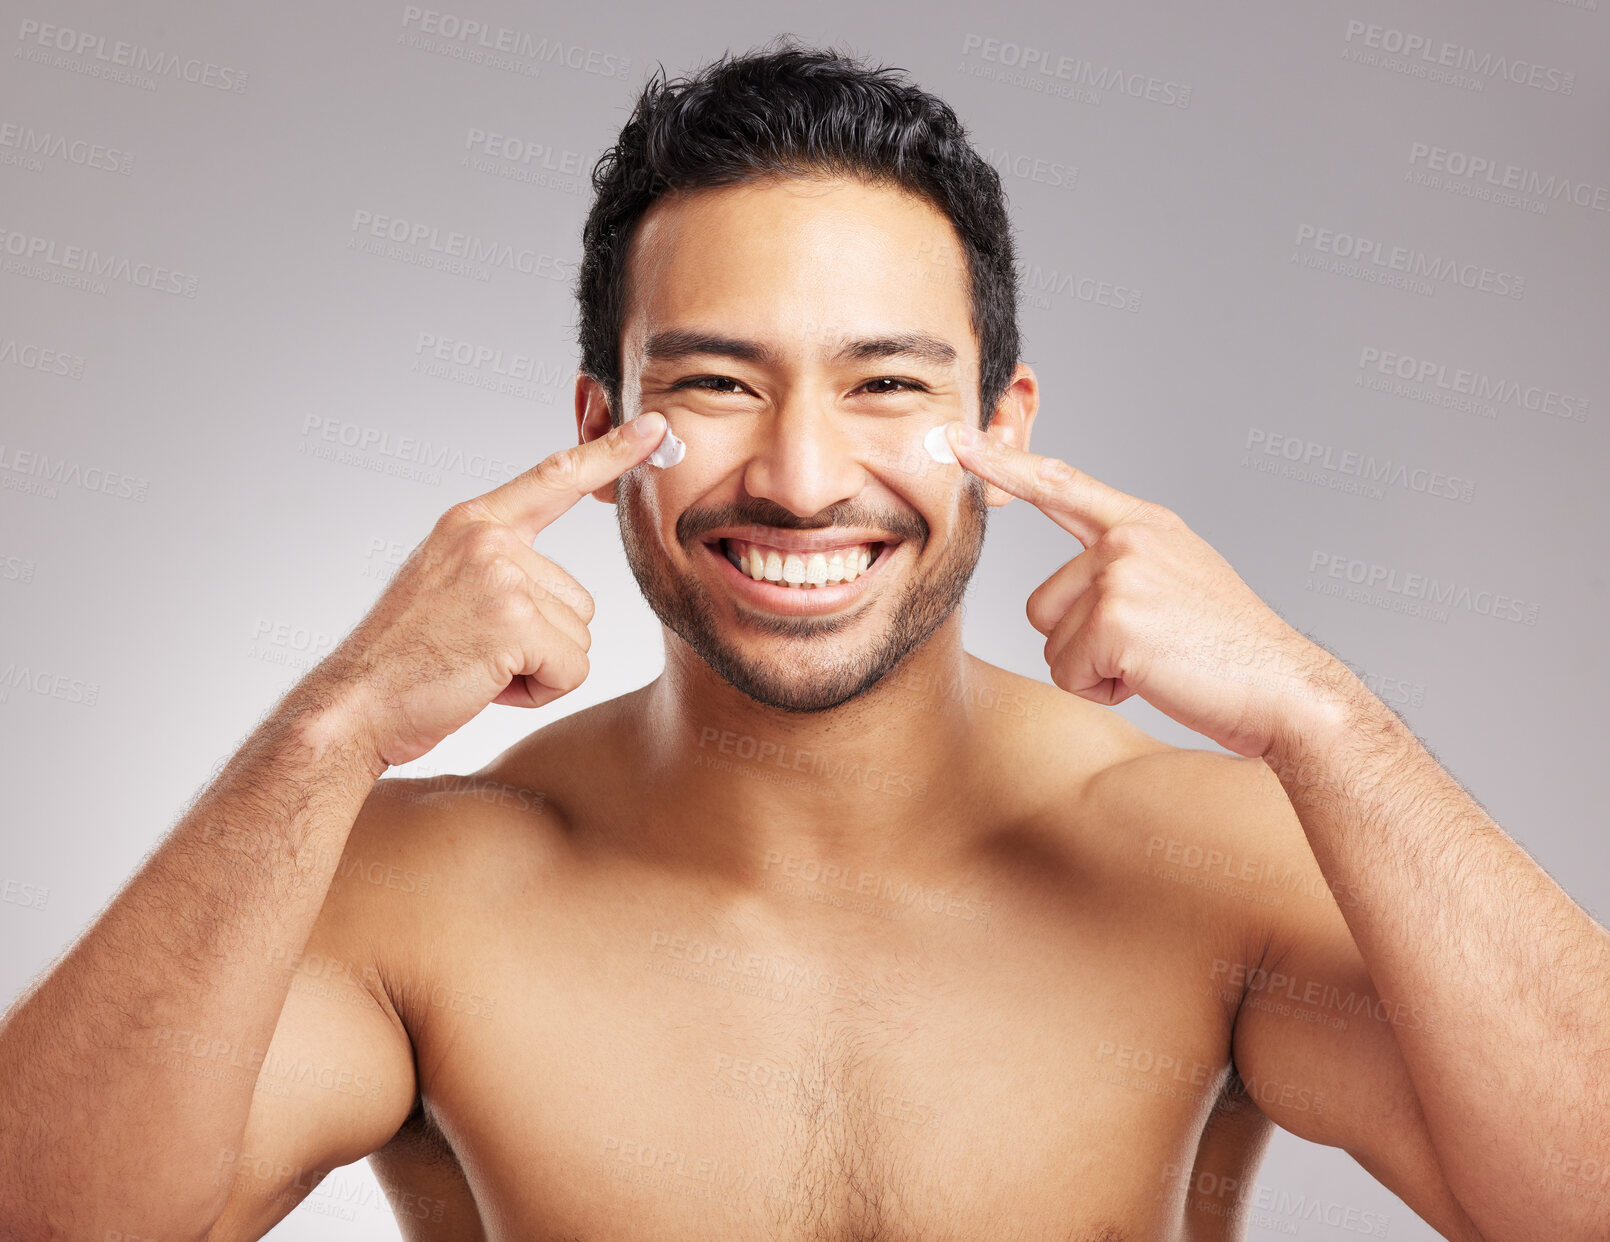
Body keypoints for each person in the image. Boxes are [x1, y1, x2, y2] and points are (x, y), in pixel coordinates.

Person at [2, 37, 1605, 1242]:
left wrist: (1324, 718)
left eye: (888, 383)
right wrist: (327, 722)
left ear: (1001, 421)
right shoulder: (423, 893)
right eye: (712, 382)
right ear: (597, 424)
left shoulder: (1200, 860)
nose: (801, 473)